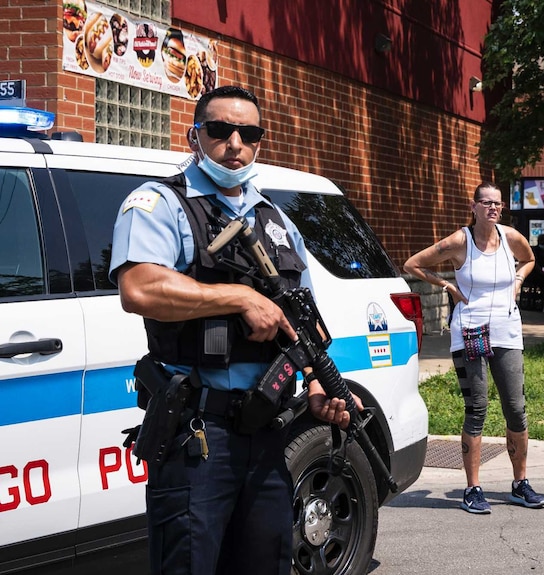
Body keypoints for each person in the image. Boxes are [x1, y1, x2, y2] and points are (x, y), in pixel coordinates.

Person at [109, 85, 356, 574]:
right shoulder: (162, 204)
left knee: (267, 564)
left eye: (249, 133)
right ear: (196, 135)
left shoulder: (278, 222)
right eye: (220, 130)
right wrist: (240, 296)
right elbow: (138, 288)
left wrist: (313, 387)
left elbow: (298, 324)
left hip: (265, 435)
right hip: (198, 436)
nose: (235, 143)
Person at [404, 182, 544, 514]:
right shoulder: (460, 241)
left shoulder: (511, 238)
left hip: (507, 332)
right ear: (474, 207)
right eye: (486, 203)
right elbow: (413, 264)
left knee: (516, 408)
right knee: (478, 408)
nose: (492, 208)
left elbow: (529, 260)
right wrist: (447, 286)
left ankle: (520, 483)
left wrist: (518, 281)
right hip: (471, 330)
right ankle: (473, 488)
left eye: (497, 204)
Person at [525, 233, 544, 314]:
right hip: (536, 274)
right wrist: (543, 273)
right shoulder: (535, 250)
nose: (543, 242)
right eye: (541, 240)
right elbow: (535, 265)